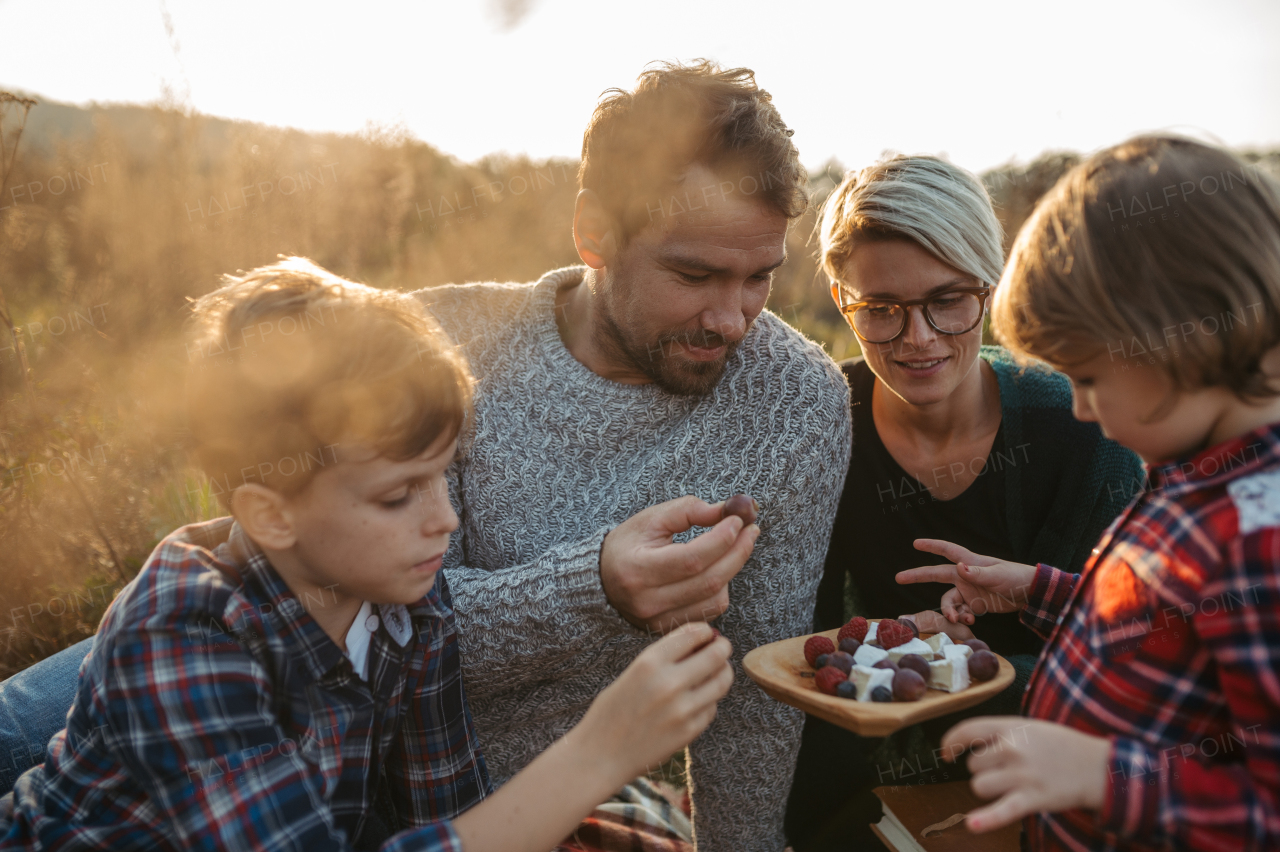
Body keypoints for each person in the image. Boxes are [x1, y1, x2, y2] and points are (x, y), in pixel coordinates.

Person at [0, 258, 735, 852]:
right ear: (270, 514)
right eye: (397, 495)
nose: (444, 520)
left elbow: (445, 808)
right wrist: (595, 756)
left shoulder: (404, 598)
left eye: (443, 477)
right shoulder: (185, 639)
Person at [415, 60, 850, 852]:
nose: (733, 320)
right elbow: (378, 644)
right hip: (396, 801)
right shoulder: (440, 350)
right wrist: (596, 589)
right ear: (595, 232)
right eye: (694, 274)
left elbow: (756, 695)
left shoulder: (796, 401)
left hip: (606, 814)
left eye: (761, 277)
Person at [900, 135, 1280, 850]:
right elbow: (1172, 626)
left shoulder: (1260, 537)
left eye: (1091, 379)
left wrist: (1106, 776)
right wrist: (1037, 591)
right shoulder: (1194, 475)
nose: (1078, 408)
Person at [784, 155, 1142, 851]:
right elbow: (805, 674)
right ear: (838, 297)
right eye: (881, 309)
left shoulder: (1080, 431)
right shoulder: (821, 429)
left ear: (991, 284)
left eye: (949, 300)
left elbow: (1130, 663)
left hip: (1073, 777)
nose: (918, 340)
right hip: (891, 789)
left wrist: (970, 673)